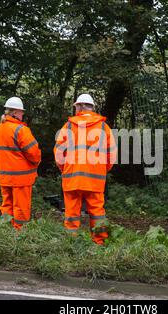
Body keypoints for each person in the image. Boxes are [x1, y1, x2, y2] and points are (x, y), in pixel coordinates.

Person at [54, 94, 117, 245]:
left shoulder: (68, 126)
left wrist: (65, 170)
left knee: (71, 214)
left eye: (76, 106)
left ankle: (71, 243)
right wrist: (102, 170)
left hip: (72, 178)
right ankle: (100, 243)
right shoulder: (103, 127)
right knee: (97, 213)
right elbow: (112, 155)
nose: (75, 109)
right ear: (92, 107)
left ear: (81, 107)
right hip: (95, 180)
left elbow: (58, 153)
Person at [0, 97, 41, 229]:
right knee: (21, 209)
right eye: (21, 112)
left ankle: (6, 232)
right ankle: (20, 235)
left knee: (7, 205)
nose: (22, 114)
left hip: (5, 177)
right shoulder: (21, 130)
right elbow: (34, 154)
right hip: (21, 179)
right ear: (14, 112)